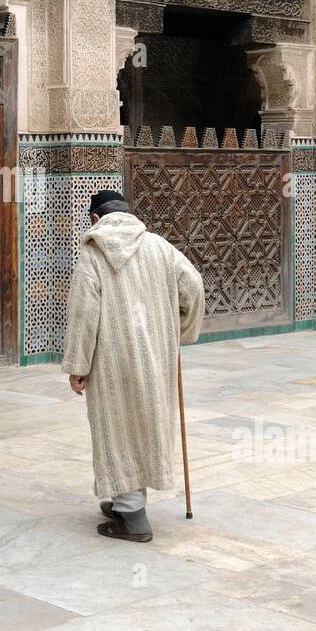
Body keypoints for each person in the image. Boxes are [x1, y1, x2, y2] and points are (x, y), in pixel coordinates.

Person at [62, 190, 205, 542]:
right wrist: (182, 333)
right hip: (156, 354)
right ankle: (126, 496)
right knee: (143, 422)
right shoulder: (159, 246)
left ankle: (132, 515)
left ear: (96, 219)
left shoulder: (93, 253)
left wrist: (78, 366)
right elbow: (194, 285)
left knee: (117, 427)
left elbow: (84, 313)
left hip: (111, 359)